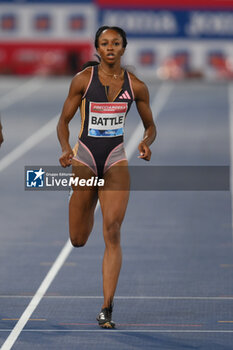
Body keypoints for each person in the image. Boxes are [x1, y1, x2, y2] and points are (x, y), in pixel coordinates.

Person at [57, 26, 156, 328]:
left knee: (112, 231)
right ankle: (84, 201)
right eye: (104, 43)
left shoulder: (136, 86)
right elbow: (63, 121)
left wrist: (145, 142)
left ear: (124, 48)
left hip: (115, 161)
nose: (110, 47)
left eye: (115, 43)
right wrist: (64, 148)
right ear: (97, 48)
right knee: (78, 239)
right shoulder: (82, 81)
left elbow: (150, 126)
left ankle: (107, 308)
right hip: (85, 159)